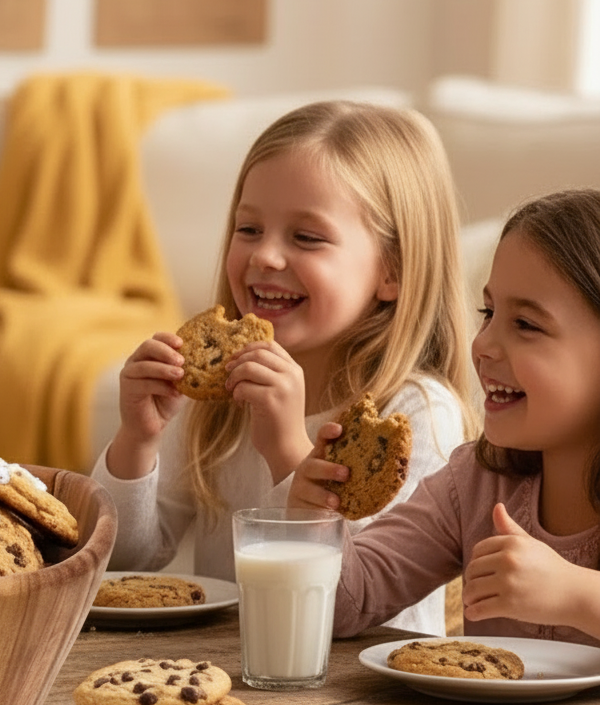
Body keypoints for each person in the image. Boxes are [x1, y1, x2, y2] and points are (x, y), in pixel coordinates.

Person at [90, 100, 476, 636]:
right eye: (248, 228)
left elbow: (351, 602)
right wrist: (137, 440)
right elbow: (123, 565)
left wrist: (288, 450)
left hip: (354, 693)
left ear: (394, 270)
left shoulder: (413, 414)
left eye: (307, 237)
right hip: (228, 674)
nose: (265, 256)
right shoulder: (219, 396)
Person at [289, 188, 600, 646]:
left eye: (527, 325)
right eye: (488, 312)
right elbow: (347, 606)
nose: (484, 344)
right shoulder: (473, 485)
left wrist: (576, 596)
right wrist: (314, 526)